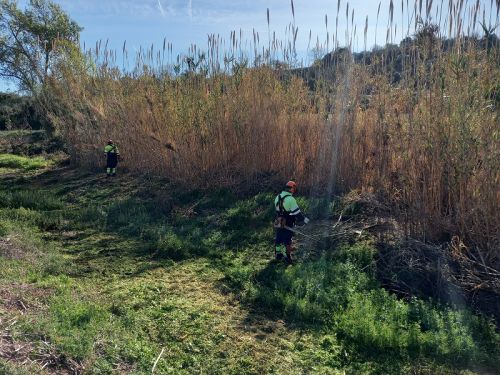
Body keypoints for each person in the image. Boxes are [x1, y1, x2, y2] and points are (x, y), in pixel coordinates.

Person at [274, 180, 309, 264]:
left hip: (279, 221)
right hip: (288, 222)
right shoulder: (291, 199)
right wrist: (305, 220)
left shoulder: (277, 197)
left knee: (279, 239)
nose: (294, 190)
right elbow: (297, 214)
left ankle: (278, 256)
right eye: (294, 188)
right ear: (292, 189)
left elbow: (278, 210)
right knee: (287, 240)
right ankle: (287, 258)